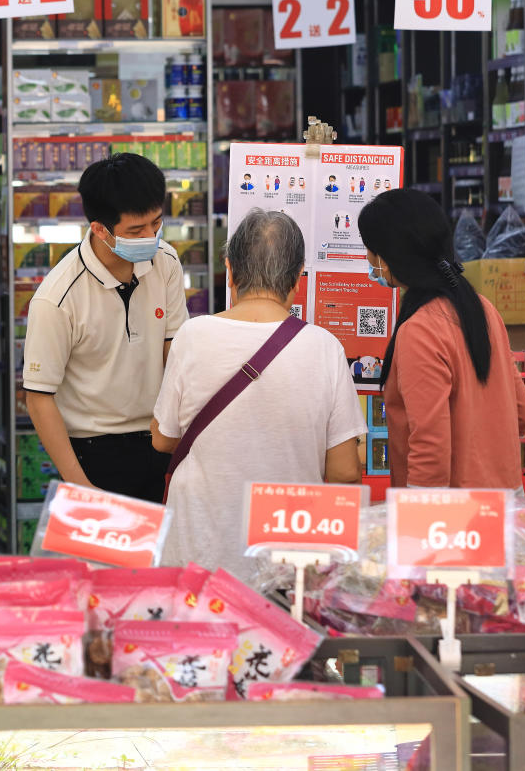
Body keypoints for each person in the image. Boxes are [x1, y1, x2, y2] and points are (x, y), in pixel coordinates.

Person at [151, 209, 365, 581]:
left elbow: (163, 438)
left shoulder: (193, 335)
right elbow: (345, 471)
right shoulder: (325, 347)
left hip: (200, 552)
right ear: (299, 277)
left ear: (230, 270)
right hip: (286, 560)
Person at [23, 153, 189, 503]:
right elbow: (39, 398)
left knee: (164, 557)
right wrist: (79, 484)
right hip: (95, 452)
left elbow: (174, 353)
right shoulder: (57, 298)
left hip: (160, 438)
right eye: (136, 231)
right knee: (109, 559)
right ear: (99, 228)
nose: (151, 237)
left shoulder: (167, 263)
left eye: (156, 225)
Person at [358, 188, 525, 489]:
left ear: (386, 258)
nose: (368, 258)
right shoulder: (483, 309)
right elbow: (522, 413)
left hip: (449, 520)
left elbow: (430, 448)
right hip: (504, 502)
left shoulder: (420, 330)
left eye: (369, 249)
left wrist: (418, 521)